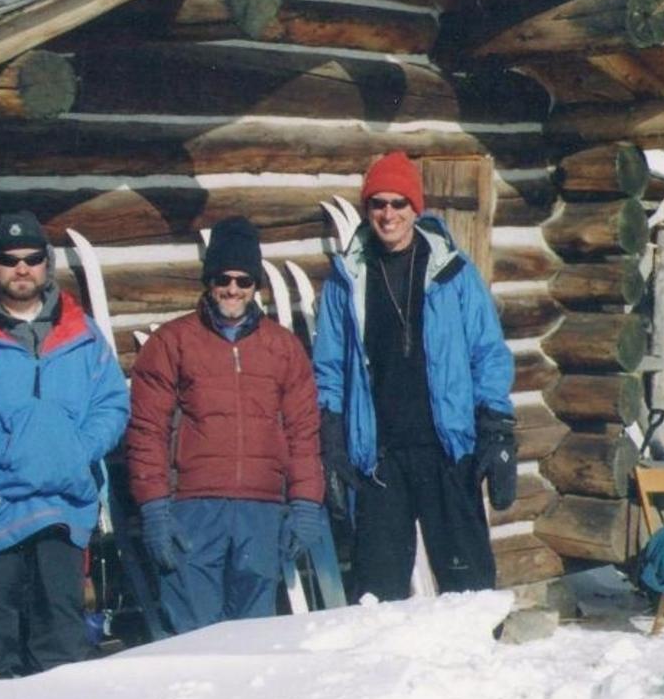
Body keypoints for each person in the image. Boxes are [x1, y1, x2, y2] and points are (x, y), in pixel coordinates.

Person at [312, 151, 518, 601]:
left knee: (469, 590)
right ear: (367, 209)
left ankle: (475, 668)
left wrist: (498, 430)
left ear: (416, 208)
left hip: (448, 450)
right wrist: (330, 437)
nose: (388, 215)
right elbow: (328, 366)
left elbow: (488, 353)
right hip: (379, 458)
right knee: (377, 596)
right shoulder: (347, 278)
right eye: (378, 204)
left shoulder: (454, 272)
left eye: (399, 203)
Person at [0, 211, 129, 677]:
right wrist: (8, 451)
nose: (22, 268)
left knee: (60, 651)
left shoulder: (83, 334)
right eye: (8, 259)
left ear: (47, 264)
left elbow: (112, 405)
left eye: (32, 258)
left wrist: (75, 450)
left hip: (62, 509)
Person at [126, 216, 325, 634]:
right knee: (193, 639)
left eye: (243, 280)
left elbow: (303, 433)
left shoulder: (283, 349)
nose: (233, 289)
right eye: (223, 278)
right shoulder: (173, 342)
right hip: (193, 510)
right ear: (208, 280)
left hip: (262, 511)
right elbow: (147, 431)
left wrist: (306, 505)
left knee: (253, 637)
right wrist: (155, 509)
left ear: (256, 286)